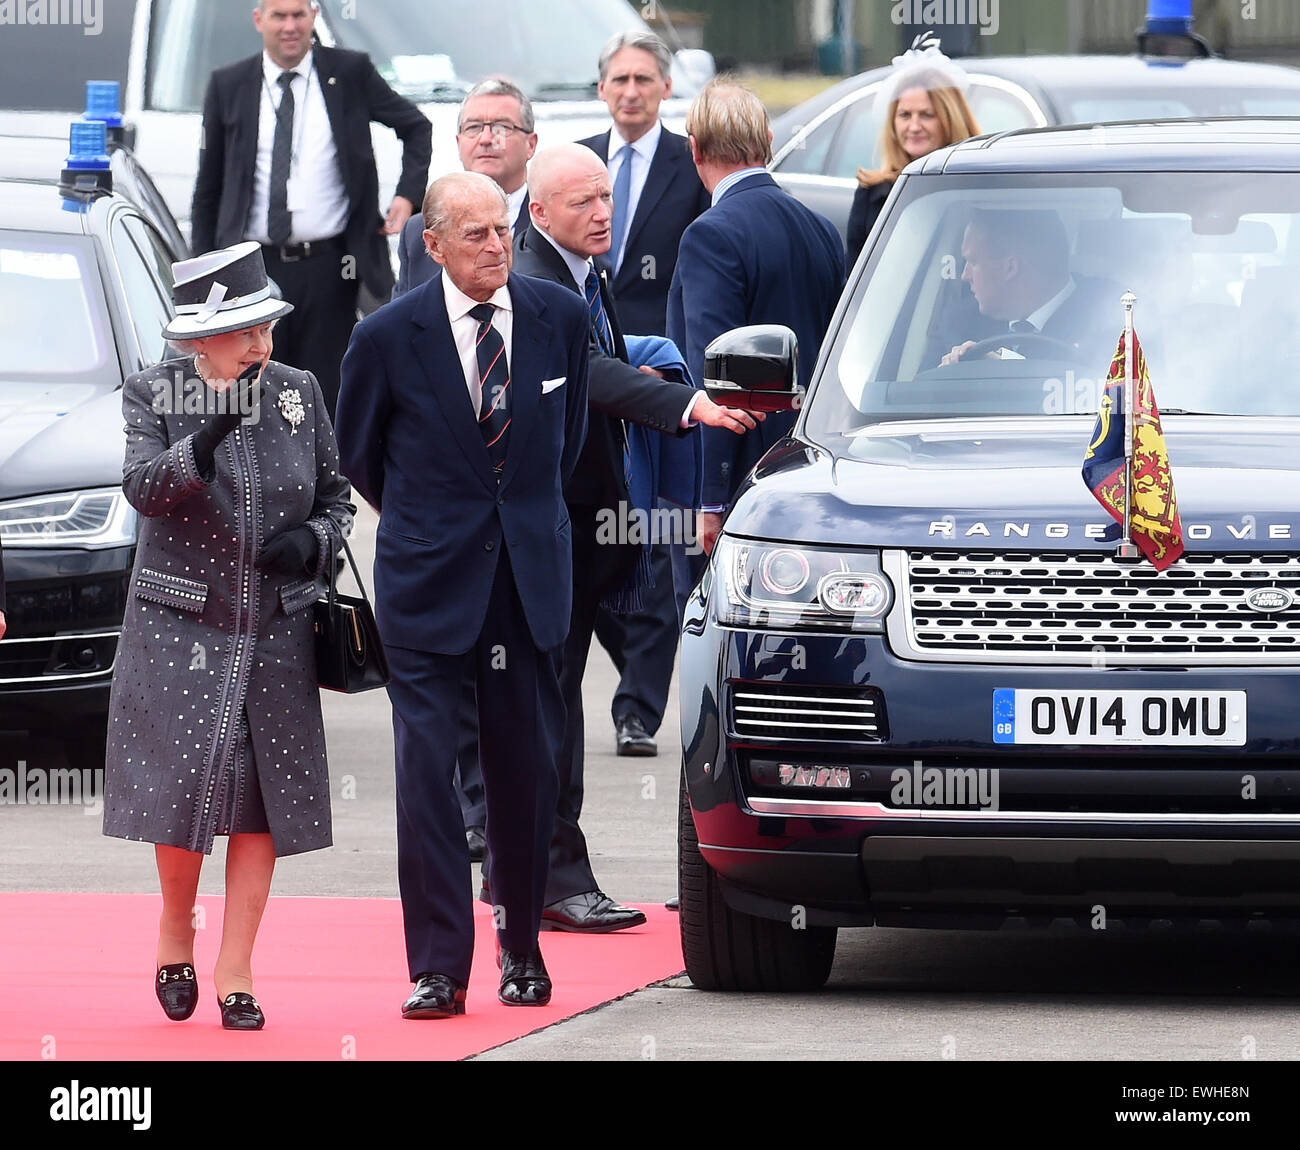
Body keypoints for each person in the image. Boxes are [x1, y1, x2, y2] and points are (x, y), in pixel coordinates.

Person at [335, 171, 589, 1017]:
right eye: (475, 235)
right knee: (427, 778)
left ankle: (521, 946)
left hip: (527, 583)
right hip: (427, 589)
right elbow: (361, 459)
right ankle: (438, 965)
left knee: (524, 777)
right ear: (433, 246)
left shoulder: (559, 319)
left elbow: (569, 441)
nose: (496, 246)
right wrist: (434, 524)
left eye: (503, 230)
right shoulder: (384, 338)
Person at [102, 241, 355, 1031]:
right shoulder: (153, 392)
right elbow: (144, 490)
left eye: (268, 328)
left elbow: (339, 497)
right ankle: (175, 930)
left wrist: (313, 543)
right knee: (181, 796)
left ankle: (236, 968)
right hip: (180, 627)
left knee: (261, 805)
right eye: (247, 333)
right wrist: (207, 436)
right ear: (199, 339)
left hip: (276, 631)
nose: (263, 347)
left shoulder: (298, 390)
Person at [508, 142, 757, 933]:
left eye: (607, 197)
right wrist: (688, 405)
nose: (603, 213)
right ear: (539, 212)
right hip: (548, 538)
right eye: (582, 201)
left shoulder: (587, 270)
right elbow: (589, 375)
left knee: (554, 708)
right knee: (544, 713)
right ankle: (552, 881)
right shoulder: (536, 281)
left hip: (589, 535)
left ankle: (538, 877)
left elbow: (604, 366)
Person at [190, 0, 431, 418]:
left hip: (332, 265)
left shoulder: (349, 73)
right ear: (258, 20)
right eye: (279, 16)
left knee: (324, 390)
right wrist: (201, 277)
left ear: (314, 17)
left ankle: (325, 480)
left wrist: (407, 196)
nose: (289, 26)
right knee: (252, 391)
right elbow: (208, 188)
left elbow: (415, 126)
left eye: (298, 15)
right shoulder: (229, 84)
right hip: (252, 266)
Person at [582, 30, 714, 759]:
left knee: (660, 547)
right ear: (602, 89)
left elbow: (699, 275)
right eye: (619, 80)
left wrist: (681, 372)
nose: (630, 91)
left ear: (665, 88)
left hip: (660, 386)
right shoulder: (570, 161)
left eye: (644, 79)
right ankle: (631, 663)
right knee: (603, 546)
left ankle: (638, 709)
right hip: (586, 385)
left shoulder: (685, 163)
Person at [667, 80, 845, 558]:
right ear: (768, 141)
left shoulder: (711, 234)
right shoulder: (823, 229)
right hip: (809, 461)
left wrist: (709, 498)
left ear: (695, 149)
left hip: (741, 480)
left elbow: (718, 386)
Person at [396, 78, 538, 298]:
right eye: (474, 127)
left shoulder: (551, 221)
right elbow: (399, 322)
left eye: (502, 127)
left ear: (531, 144)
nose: (486, 139)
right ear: (458, 142)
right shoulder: (418, 231)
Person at [846, 37, 979, 268]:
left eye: (926, 115)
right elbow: (855, 279)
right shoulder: (871, 193)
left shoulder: (979, 188)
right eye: (905, 115)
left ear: (951, 119)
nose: (914, 127)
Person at [939, 208, 1118, 367]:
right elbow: (925, 393)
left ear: (1010, 268)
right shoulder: (960, 324)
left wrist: (1005, 367)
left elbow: (1116, 390)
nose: (964, 275)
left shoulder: (1114, 318)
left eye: (973, 262)